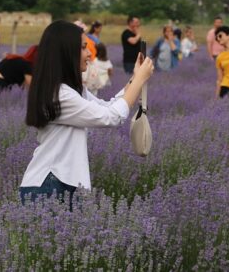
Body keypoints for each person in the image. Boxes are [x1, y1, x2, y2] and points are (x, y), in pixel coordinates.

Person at [21, 20, 154, 210]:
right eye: (84, 48)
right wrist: (140, 79)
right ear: (66, 52)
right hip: (49, 185)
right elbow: (111, 117)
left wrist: (135, 78)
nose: (90, 54)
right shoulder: (60, 95)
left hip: (64, 182)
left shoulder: (70, 90)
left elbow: (108, 107)